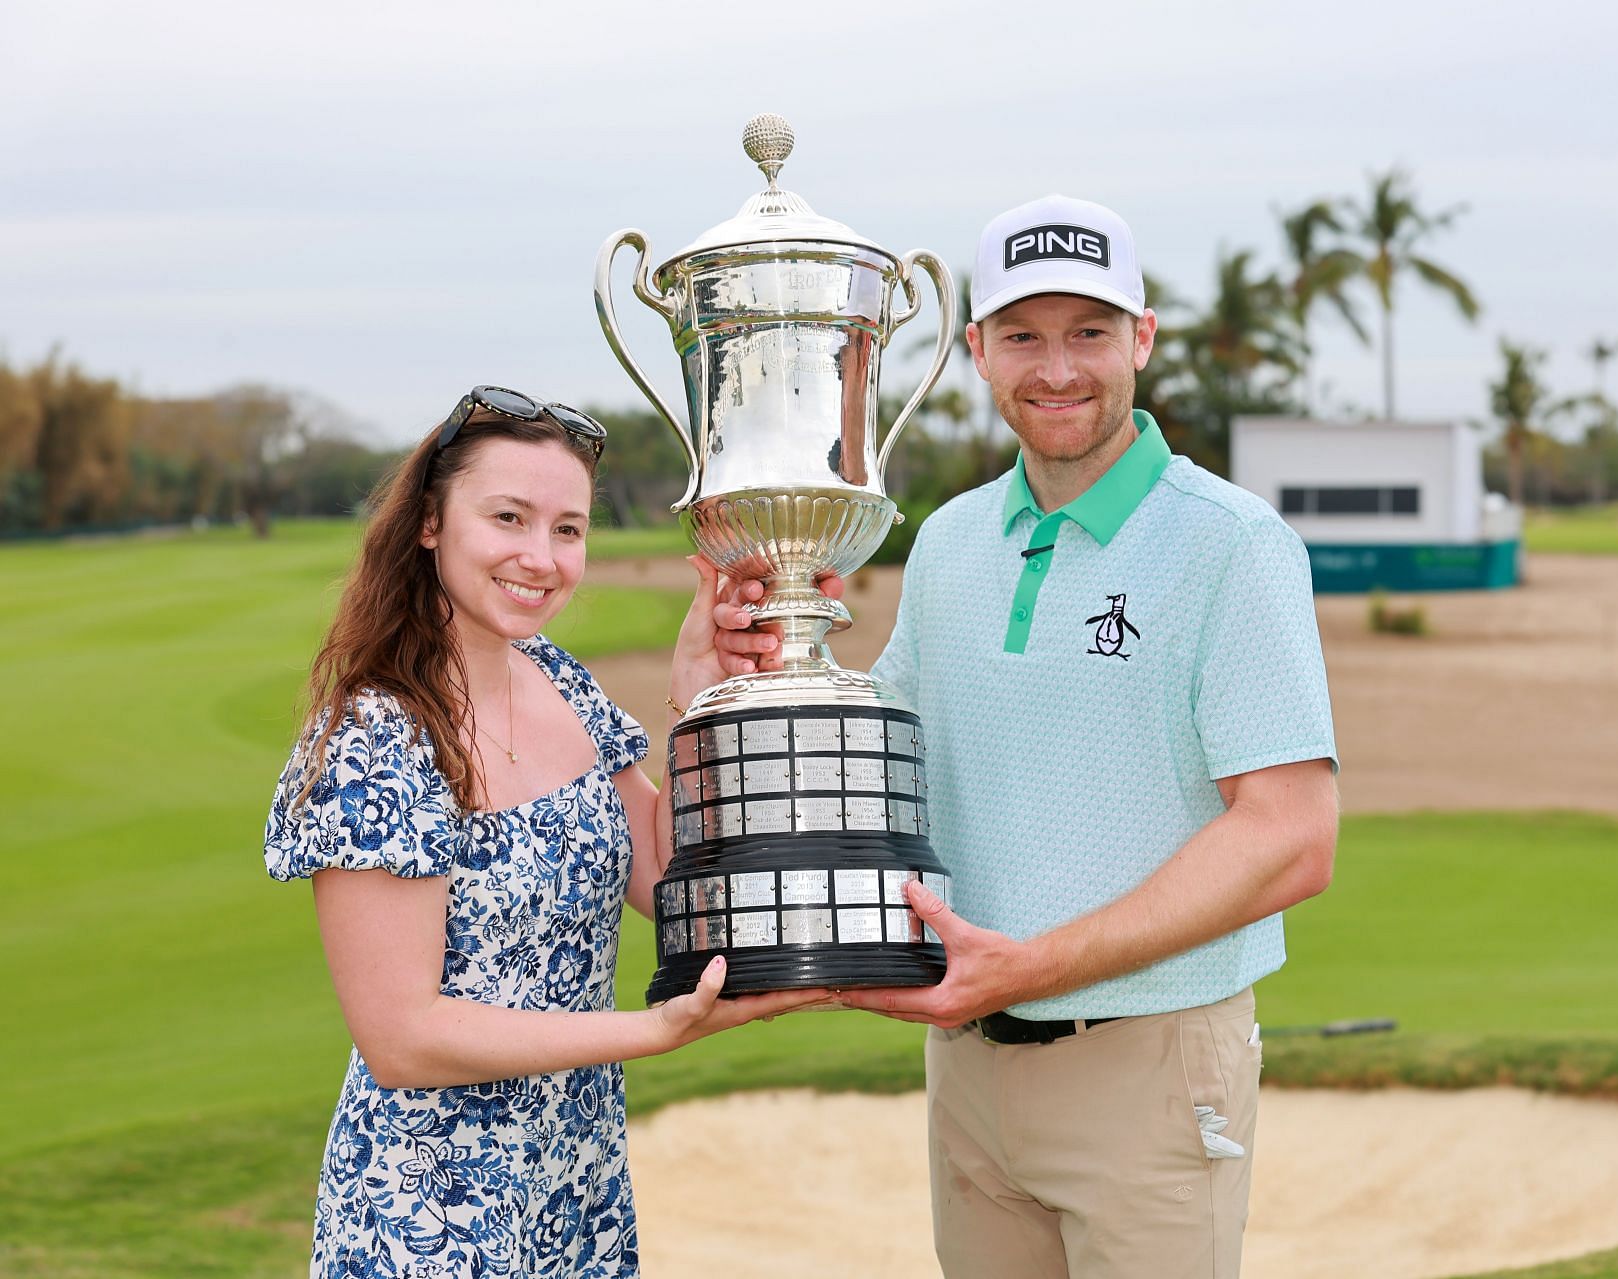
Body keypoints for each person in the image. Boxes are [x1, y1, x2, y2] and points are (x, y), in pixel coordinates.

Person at [723, 196, 1342, 1276]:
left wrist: (1030, 965)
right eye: (1022, 335)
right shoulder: (952, 541)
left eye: (1089, 332)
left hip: (1148, 1061)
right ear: (976, 352)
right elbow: (887, 763)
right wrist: (738, 673)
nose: (1057, 368)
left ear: (1142, 339)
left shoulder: (1234, 546)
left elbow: (1292, 836)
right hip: (969, 1069)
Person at [263, 386, 827, 1278]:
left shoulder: (556, 677)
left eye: (568, 528)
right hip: (431, 1212)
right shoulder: (375, 740)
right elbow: (402, 1037)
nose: (542, 555)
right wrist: (654, 1031)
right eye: (509, 517)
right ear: (430, 525)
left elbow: (663, 879)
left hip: (574, 1180)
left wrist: (701, 699)